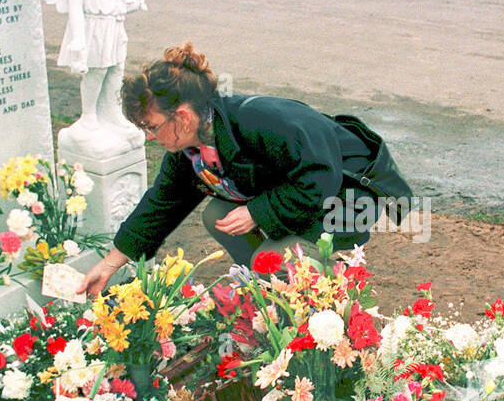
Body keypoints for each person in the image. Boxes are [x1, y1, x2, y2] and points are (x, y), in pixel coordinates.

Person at [79, 43, 409, 296]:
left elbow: (320, 177)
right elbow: (160, 205)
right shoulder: (191, 147)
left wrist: (257, 211)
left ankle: (309, 285)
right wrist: (109, 265)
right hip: (301, 195)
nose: (149, 138)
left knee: (270, 259)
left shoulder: (264, 120)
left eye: (151, 127)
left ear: (181, 116)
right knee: (217, 217)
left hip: (344, 198)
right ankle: (270, 288)